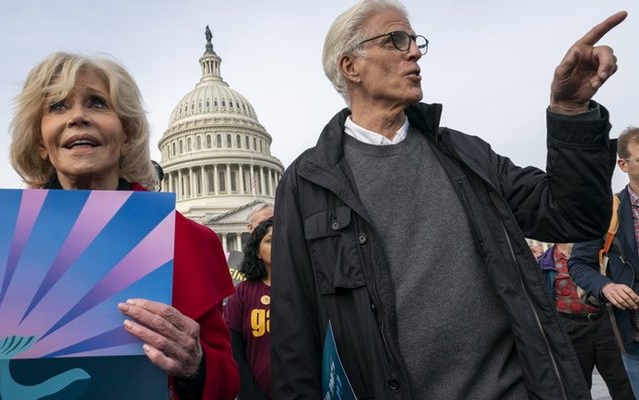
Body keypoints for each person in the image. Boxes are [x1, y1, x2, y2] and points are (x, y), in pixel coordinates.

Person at [270, 0, 626, 398]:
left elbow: (572, 218)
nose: (415, 51)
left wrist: (571, 111)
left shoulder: (466, 155)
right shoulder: (308, 182)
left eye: (415, 40)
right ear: (350, 66)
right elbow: (293, 334)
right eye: (396, 40)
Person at [0, 52, 239, 400]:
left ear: (125, 133)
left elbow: (227, 382)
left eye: (97, 103)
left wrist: (195, 365)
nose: (78, 117)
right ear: (40, 141)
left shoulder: (190, 240)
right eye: (57, 107)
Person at [570, 126, 639, 399]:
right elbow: (579, 265)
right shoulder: (606, 211)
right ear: (623, 164)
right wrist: (607, 287)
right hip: (634, 342)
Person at [538, 243, 633, 398]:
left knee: (620, 380)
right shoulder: (546, 261)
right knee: (578, 383)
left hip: (603, 322)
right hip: (570, 327)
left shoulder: (591, 250)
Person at [224, 217, 273, 399]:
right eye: (270, 241)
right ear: (258, 252)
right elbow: (234, 349)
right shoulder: (243, 293)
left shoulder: (304, 287)